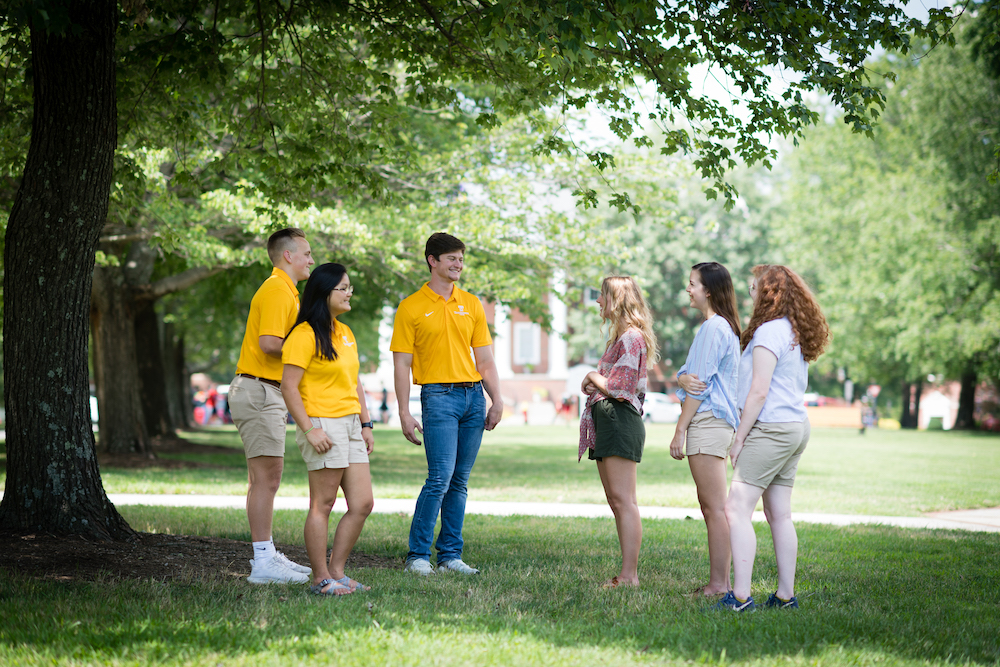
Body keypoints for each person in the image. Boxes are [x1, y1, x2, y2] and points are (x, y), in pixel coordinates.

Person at [717, 265, 829, 612]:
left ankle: (739, 598)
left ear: (767, 294)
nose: (748, 295)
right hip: (795, 427)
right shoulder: (792, 332)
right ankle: (784, 597)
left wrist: (738, 439)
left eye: (753, 288)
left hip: (772, 429)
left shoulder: (768, 333)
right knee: (779, 514)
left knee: (735, 508)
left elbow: (758, 393)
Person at [391, 232, 503, 576]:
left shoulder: (471, 304)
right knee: (439, 477)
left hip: (473, 397)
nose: (458, 264)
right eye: (452, 258)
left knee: (460, 480)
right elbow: (401, 364)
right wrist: (404, 411)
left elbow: (484, 359)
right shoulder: (411, 306)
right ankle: (418, 556)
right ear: (432, 261)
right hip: (438, 397)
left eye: (461, 259)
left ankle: (451, 556)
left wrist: (496, 398)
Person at [281, 263, 375, 596]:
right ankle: (320, 578)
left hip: (350, 423)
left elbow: (356, 382)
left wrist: (365, 423)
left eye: (350, 287)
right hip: (322, 423)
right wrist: (309, 430)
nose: (350, 293)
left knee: (363, 503)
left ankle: (337, 571)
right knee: (323, 504)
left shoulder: (345, 332)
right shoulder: (304, 334)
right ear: (325, 293)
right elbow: (289, 387)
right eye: (344, 288)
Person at [229, 228, 314, 584]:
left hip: (263, 390)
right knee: (268, 478)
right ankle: (263, 563)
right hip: (261, 391)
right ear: (288, 256)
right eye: (307, 253)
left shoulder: (286, 291)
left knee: (263, 479)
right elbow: (269, 343)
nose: (312, 259)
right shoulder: (278, 290)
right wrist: (311, 348)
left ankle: (267, 554)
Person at [578, 276, 658, 588]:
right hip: (609, 419)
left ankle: (629, 576)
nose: (598, 301)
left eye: (601, 296)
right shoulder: (622, 338)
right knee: (615, 499)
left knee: (624, 500)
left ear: (616, 299)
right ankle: (626, 574)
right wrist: (595, 380)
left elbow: (618, 388)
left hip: (619, 419)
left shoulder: (631, 338)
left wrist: (591, 375)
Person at [670, 262, 741, 598]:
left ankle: (719, 585)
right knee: (711, 505)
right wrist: (680, 377)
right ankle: (720, 583)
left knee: (715, 508)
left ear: (708, 290)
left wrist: (680, 429)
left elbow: (696, 386)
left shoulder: (714, 329)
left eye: (692, 283)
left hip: (708, 421)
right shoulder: (716, 328)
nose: (688, 289)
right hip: (712, 420)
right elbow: (689, 375)